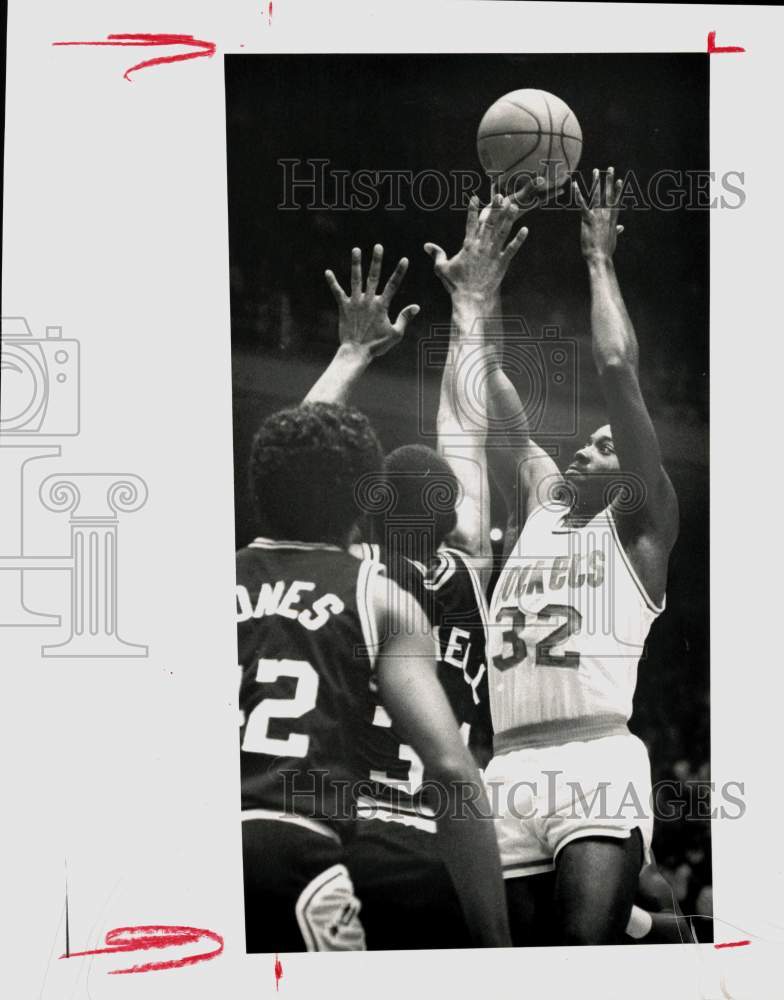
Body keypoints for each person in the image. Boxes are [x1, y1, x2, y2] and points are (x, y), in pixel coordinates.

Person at [302, 201, 525, 948]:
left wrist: (351, 355)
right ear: (450, 519)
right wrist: (469, 304)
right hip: (444, 848)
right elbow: (464, 426)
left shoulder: (348, 575)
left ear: (361, 515)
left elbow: (300, 464)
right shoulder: (470, 574)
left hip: (344, 839)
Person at [482, 167, 679, 945]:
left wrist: (598, 258)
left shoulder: (640, 529)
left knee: (577, 968)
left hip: (595, 760)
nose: (589, 446)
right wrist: (482, 281)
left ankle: (638, 933)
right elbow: (487, 376)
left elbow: (614, 369)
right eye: (587, 440)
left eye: (607, 444)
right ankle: (649, 931)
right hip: (505, 770)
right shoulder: (544, 502)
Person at [238, 400, 510, 953]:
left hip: (336, 827)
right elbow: (454, 772)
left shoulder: (348, 562)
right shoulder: (449, 576)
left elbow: (297, 479)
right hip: (411, 837)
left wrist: (350, 355)